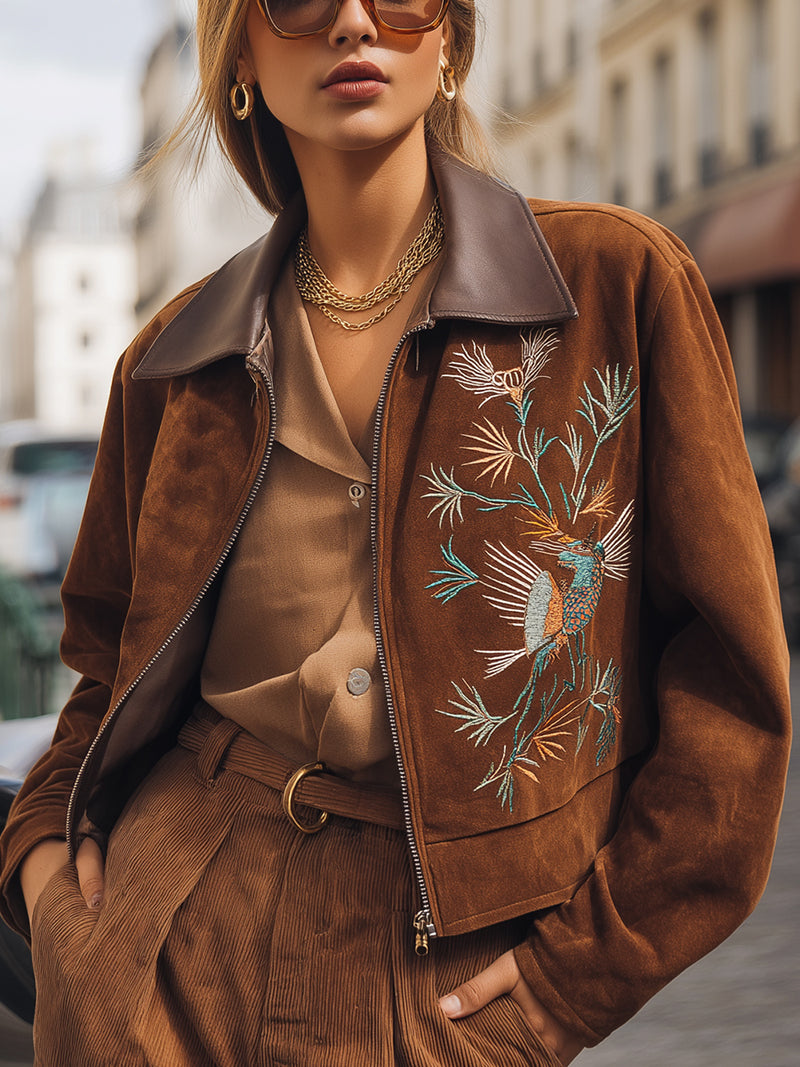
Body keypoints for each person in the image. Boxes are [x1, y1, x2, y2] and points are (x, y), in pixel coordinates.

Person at [0, 1, 791, 1064]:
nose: (354, 21)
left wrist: (571, 980)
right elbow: (101, 661)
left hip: (440, 973)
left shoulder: (610, 285)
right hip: (164, 946)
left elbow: (730, 689)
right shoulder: (173, 356)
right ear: (240, 53)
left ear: (454, 39)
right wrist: (49, 875)